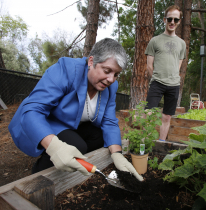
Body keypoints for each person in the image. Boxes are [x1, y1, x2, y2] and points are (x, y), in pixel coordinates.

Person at [8, 38, 143, 181]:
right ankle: (39, 175)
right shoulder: (66, 69)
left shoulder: (110, 88)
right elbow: (32, 110)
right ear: (91, 62)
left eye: (116, 74)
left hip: (72, 126)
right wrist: (55, 147)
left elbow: (109, 122)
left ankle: (72, 165)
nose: (111, 79)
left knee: (100, 137)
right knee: (76, 144)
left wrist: (117, 154)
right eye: (107, 70)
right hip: (45, 122)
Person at [144, 5, 186, 141]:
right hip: (157, 83)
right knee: (148, 113)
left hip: (173, 85)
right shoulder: (155, 41)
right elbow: (149, 65)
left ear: (179, 21)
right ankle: (146, 144)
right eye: (170, 19)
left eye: (175, 19)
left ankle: (161, 144)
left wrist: (173, 78)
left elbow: (178, 65)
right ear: (164, 19)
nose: (172, 22)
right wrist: (157, 78)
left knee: (167, 116)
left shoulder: (181, 43)